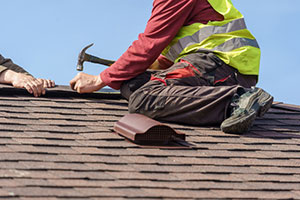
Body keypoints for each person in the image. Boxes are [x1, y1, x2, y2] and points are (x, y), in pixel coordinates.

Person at [70, 0, 273, 134]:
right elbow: (164, 56)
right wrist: (128, 69)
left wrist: (101, 79)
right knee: (132, 85)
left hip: (223, 64)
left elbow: (149, 43)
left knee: (144, 98)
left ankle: (237, 100)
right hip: (213, 63)